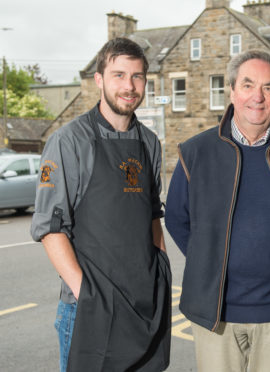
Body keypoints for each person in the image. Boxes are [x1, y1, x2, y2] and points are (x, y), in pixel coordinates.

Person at [165, 50, 270, 372]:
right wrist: (212, 256)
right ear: (232, 91)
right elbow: (177, 220)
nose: (258, 96)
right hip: (216, 315)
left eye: (268, 87)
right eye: (248, 85)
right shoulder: (195, 152)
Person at [31, 38, 171, 372]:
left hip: (142, 304)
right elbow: (50, 229)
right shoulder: (68, 141)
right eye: (119, 75)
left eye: (137, 76)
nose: (129, 86)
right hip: (90, 308)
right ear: (99, 79)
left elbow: (153, 215)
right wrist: (88, 297)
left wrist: (162, 275)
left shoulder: (149, 142)